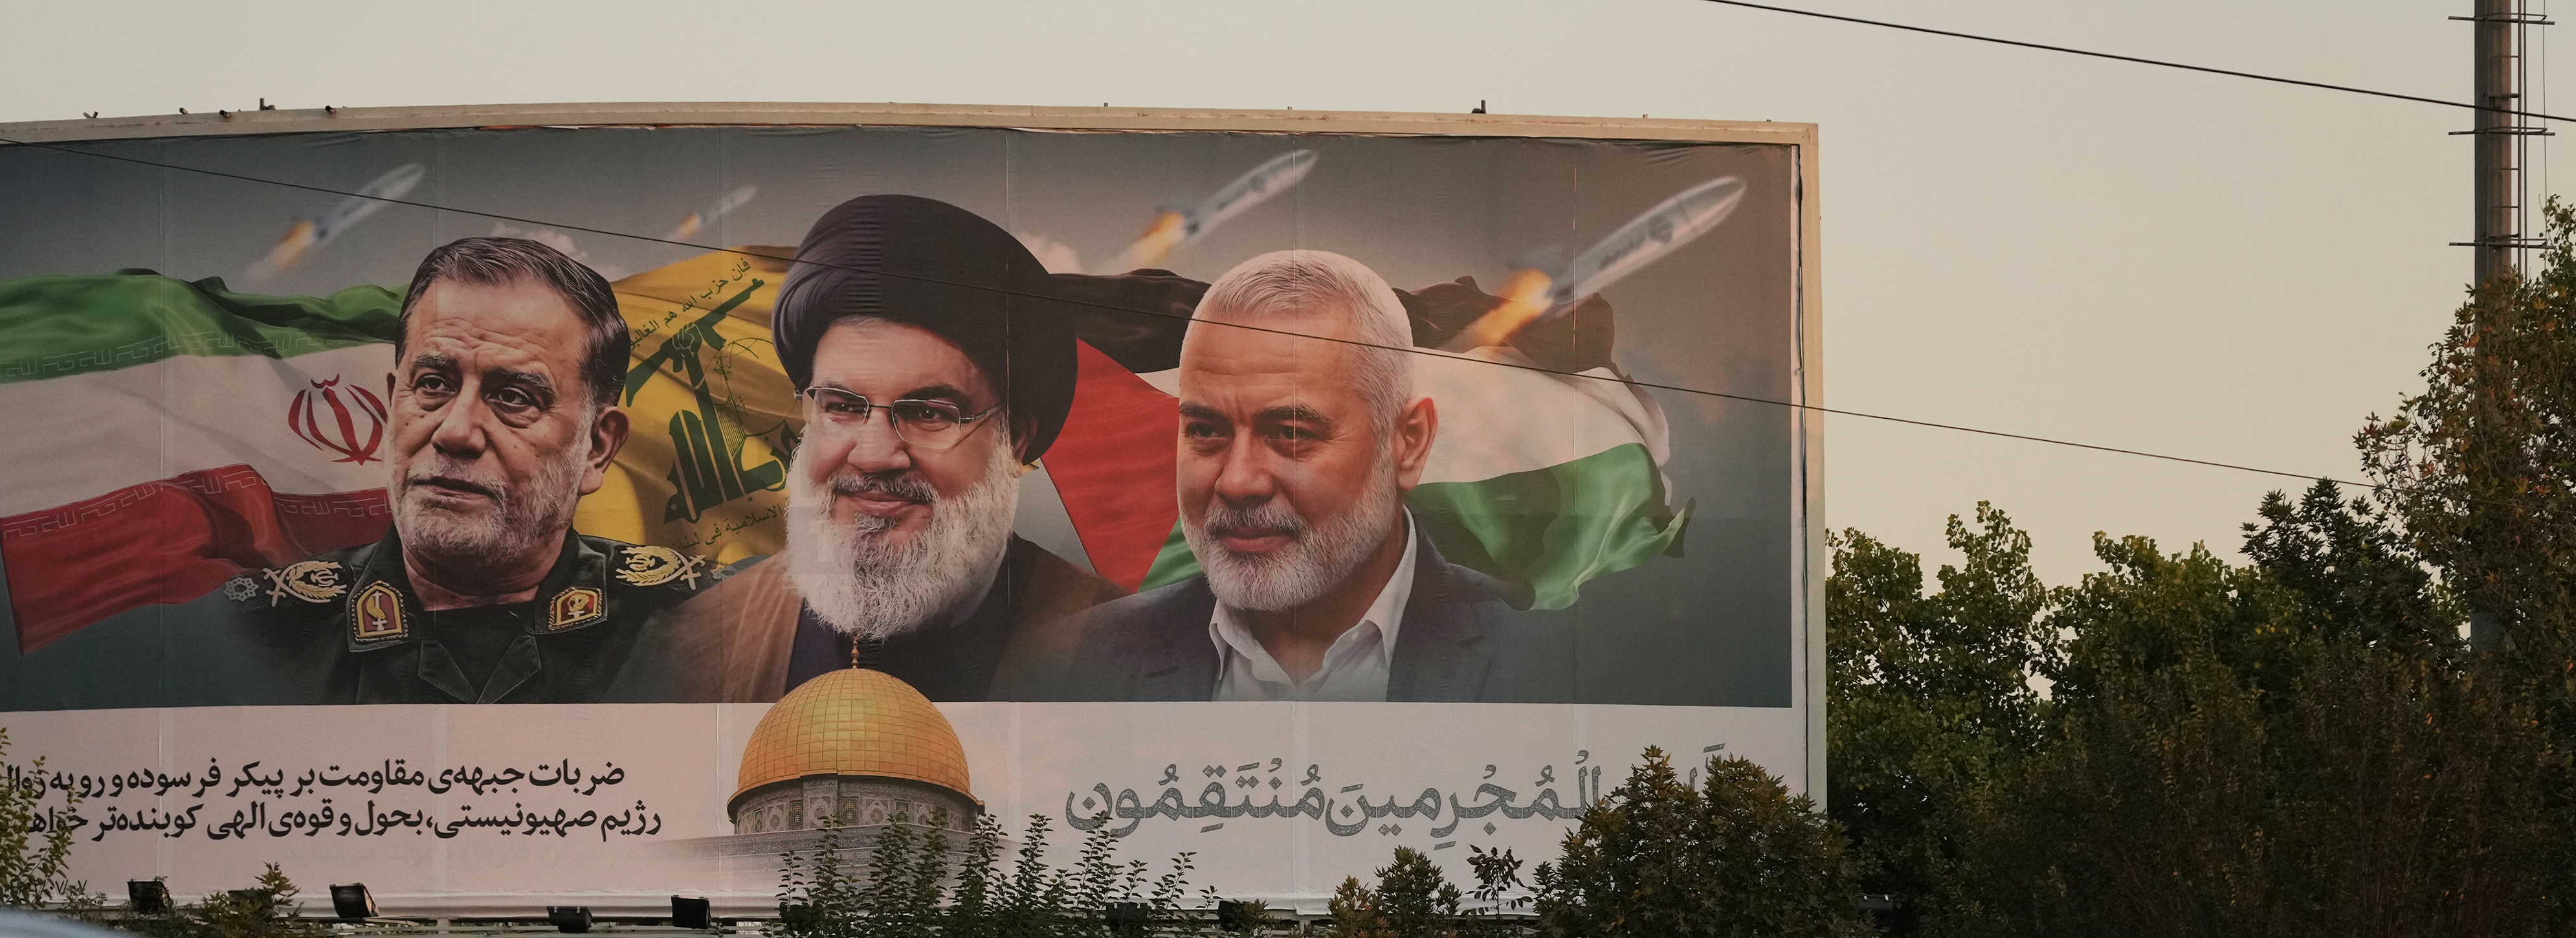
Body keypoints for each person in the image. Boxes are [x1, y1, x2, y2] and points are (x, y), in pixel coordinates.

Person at [610, 195, 1115, 704]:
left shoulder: (1124, 653)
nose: (873, 457)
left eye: (928, 413)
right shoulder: (691, 647)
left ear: (1015, 440)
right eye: (842, 407)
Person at [1012, 249, 1571, 704]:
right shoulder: (1074, 665)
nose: (1237, 483)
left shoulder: (1547, 666)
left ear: (1409, 442)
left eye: (1293, 433)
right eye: (1206, 431)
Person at [174, 236, 707, 704]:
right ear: (391, 407)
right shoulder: (239, 640)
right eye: (433, 385)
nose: (454, 432)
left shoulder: (711, 629)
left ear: (597, 447)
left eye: (514, 396)